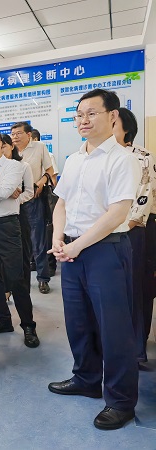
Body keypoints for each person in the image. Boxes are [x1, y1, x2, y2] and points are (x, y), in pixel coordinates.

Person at [48, 89, 140, 430]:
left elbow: (117, 213)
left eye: (91, 113)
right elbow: (61, 203)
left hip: (105, 250)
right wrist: (58, 238)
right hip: (72, 250)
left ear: (112, 116)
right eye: (79, 115)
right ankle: (86, 379)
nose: (83, 120)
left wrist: (77, 246)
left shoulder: (121, 158)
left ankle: (120, 401)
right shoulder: (74, 159)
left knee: (114, 328)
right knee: (78, 321)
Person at [0, 131, 39, 348]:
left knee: (16, 278)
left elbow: (4, 192)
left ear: (0, 144)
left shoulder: (15, 167)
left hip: (7, 226)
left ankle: (28, 325)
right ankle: (2, 320)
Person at [113, 107, 155, 364]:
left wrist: (120, 226)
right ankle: (114, 345)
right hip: (102, 233)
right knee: (111, 291)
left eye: (113, 123)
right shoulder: (97, 156)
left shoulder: (143, 156)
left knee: (135, 289)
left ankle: (137, 348)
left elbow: (143, 199)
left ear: (126, 128)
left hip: (133, 231)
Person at [11, 122, 54, 293]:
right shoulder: (9, 150)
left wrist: (41, 183)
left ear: (29, 135)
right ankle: (20, 281)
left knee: (38, 240)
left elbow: (50, 170)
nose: (15, 137)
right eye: (13, 134)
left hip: (34, 198)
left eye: (18, 133)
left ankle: (43, 278)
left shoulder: (39, 147)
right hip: (14, 200)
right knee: (17, 241)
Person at [1, 134, 34, 299]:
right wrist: (4, 196)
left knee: (22, 256)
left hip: (19, 215)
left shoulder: (23, 166)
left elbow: (29, 192)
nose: (0, 150)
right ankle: (6, 290)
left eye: (3, 146)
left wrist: (14, 200)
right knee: (2, 258)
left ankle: (24, 294)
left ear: (11, 146)